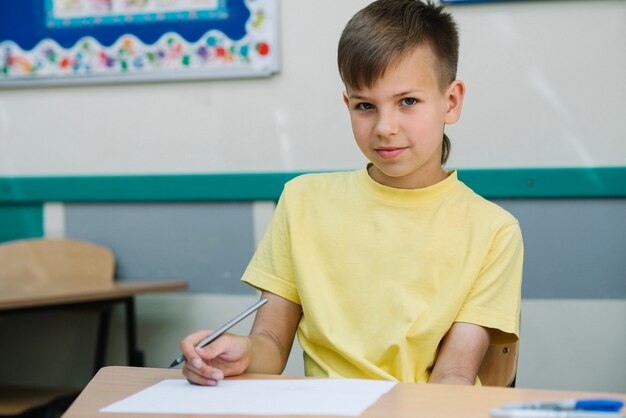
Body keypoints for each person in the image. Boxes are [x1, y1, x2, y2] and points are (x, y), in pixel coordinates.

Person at [180, 0, 523, 386]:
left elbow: (454, 375)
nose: (385, 127)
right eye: (365, 105)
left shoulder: (494, 231)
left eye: (407, 101)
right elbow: (271, 344)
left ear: (451, 101)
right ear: (348, 104)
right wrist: (240, 354)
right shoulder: (302, 201)